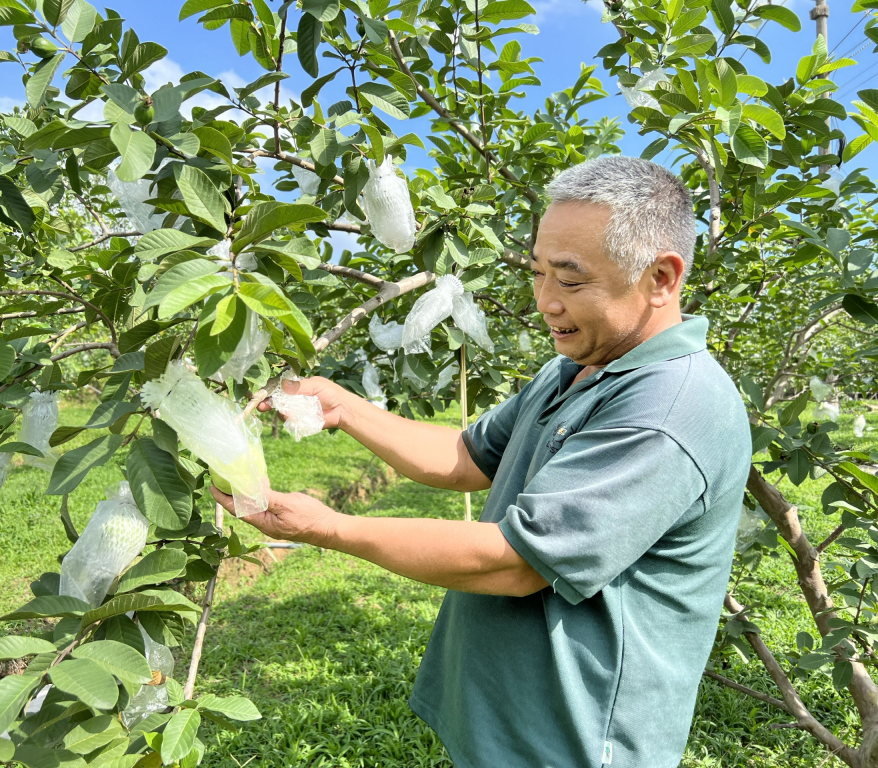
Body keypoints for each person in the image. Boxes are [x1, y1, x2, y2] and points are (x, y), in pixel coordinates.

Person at [211, 156, 752, 768]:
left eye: (571, 282)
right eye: (540, 274)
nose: (547, 302)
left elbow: (519, 564)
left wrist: (327, 528)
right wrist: (346, 409)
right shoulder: (573, 370)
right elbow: (465, 456)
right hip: (509, 721)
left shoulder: (669, 406)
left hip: (574, 742)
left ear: (660, 278)